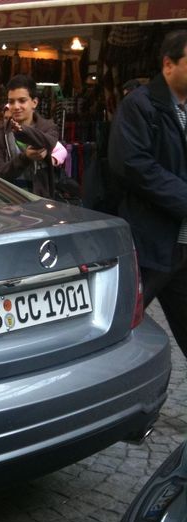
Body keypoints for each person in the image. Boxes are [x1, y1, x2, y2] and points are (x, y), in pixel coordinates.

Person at [108, 29, 187, 357]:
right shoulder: (139, 105)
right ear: (168, 64)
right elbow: (134, 164)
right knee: (122, 328)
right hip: (149, 244)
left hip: (183, 245)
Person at [0, 74, 60, 198]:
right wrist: (25, 157)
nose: (16, 107)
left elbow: (49, 142)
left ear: (34, 102)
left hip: (40, 201)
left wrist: (22, 130)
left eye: (22, 101)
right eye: (11, 102)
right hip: (9, 201)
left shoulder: (49, 127)